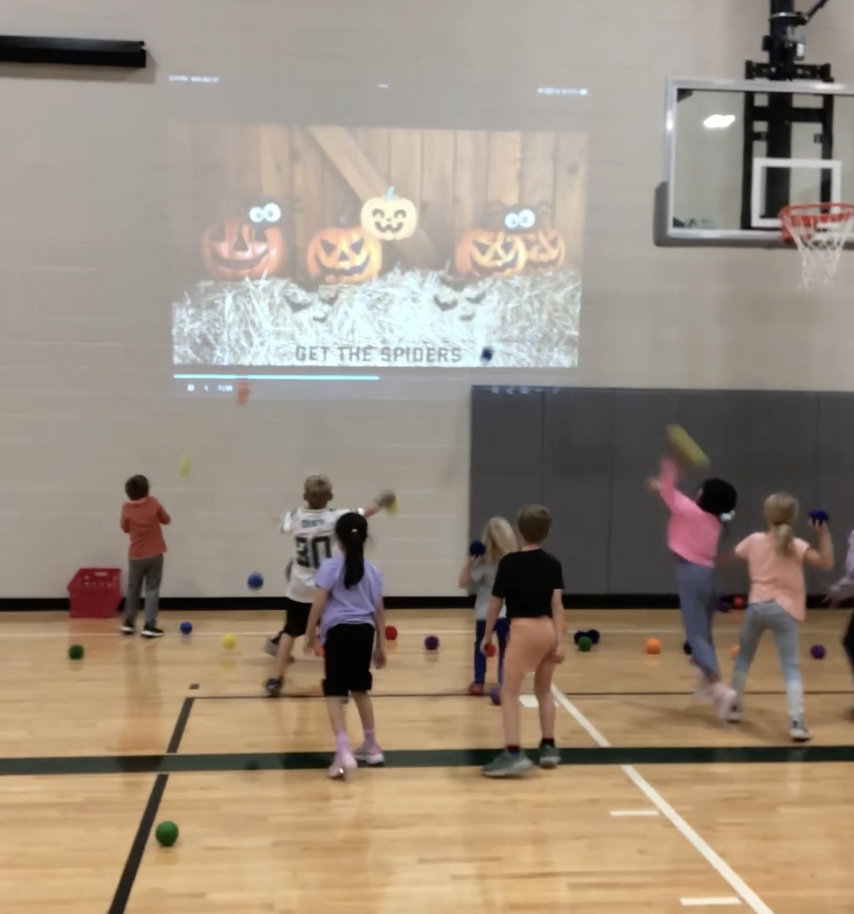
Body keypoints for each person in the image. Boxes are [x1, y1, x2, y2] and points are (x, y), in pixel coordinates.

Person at [263, 475, 394, 696]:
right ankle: (336, 681)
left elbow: (282, 523)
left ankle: (276, 679)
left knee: (289, 632)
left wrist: (270, 514)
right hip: (328, 585)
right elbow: (364, 513)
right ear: (330, 496)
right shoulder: (337, 517)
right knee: (333, 633)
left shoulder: (294, 517)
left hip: (299, 588)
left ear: (305, 496)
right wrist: (381, 501)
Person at [724, 494, 833, 741]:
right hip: (784, 610)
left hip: (756, 607)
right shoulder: (796, 544)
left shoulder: (754, 540)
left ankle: (733, 708)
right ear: (792, 517)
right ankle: (796, 722)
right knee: (790, 668)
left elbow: (735, 554)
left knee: (743, 659)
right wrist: (823, 532)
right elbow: (826, 562)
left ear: (767, 515)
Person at [646, 456, 738, 717]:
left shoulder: (690, 511)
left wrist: (668, 467)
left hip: (691, 575)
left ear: (702, 495)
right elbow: (670, 493)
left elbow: (666, 491)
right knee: (703, 634)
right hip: (709, 577)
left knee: (695, 635)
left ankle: (719, 687)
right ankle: (708, 681)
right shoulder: (716, 521)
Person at [480, 505, 565, 778]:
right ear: (548, 532)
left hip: (523, 631)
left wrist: (486, 635)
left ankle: (513, 752)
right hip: (548, 630)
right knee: (544, 690)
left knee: (509, 691)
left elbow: (494, 605)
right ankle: (549, 747)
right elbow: (557, 605)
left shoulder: (509, 563)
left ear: (518, 531)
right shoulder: (553, 564)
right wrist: (560, 642)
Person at [304, 512, 387, 780]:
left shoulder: (330, 567)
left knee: (334, 693)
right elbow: (379, 610)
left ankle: (343, 752)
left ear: (337, 539)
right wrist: (381, 644)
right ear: (365, 538)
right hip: (365, 633)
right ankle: (372, 746)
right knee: (361, 689)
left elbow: (318, 602)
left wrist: (309, 634)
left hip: (338, 633)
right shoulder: (373, 571)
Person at [458, 517, 516, 695]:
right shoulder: (513, 561)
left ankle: (478, 682)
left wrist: (469, 561)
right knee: (506, 649)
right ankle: (503, 683)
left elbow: (463, 583)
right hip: (506, 613)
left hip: (484, 612)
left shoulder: (483, 563)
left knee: (480, 646)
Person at [120, 475, 171, 638]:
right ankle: (149, 625)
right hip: (155, 553)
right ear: (147, 490)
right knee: (152, 589)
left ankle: (129, 623)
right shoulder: (153, 503)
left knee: (133, 589)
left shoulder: (126, 508)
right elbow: (166, 520)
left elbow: (124, 528)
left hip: (135, 556)